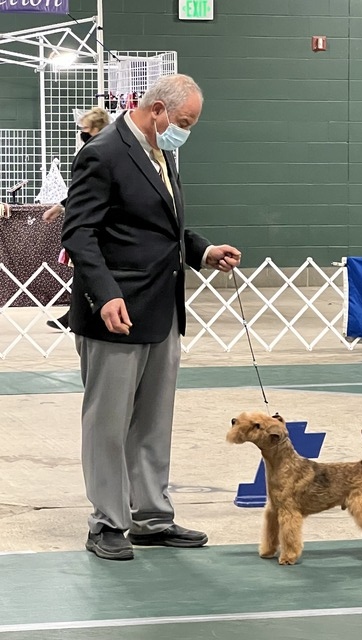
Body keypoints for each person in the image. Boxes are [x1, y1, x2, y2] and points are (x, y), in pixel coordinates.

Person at [61, 74, 242, 561]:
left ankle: (151, 518)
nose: (185, 131)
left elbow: (163, 228)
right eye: (183, 122)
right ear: (158, 109)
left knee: (153, 421)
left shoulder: (161, 152)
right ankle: (107, 522)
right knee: (108, 422)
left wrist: (203, 251)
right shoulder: (102, 152)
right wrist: (104, 295)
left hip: (163, 310)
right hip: (115, 312)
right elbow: (78, 233)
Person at [43, 107, 111, 329]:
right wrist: (61, 207)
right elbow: (83, 190)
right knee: (83, 272)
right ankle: (74, 315)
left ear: (96, 128)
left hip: (98, 226)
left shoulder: (98, 154)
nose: (81, 133)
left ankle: (78, 316)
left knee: (88, 269)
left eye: (84, 129)